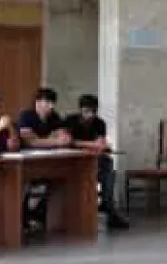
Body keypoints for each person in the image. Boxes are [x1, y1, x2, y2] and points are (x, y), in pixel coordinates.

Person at [62, 94, 129, 230]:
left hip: (93, 159)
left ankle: (108, 206)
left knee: (109, 168)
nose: (90, 115)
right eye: (87, 111)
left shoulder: (99, 123)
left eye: (93, 111)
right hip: (72, 161)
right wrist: (91, 144)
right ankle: (104, 207)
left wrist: (94, 145)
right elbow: (68, 142)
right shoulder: (70, 121)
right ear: (80, 110)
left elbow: (101, 143)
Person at [17, 88, 71, 233]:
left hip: (48, 160)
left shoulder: (54, 116)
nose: (51, 106)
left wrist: (46, 141)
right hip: (26, 162)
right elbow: (30, 141)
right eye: (47, 102)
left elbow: (66, 138)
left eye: (53, 103)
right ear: (37, 102)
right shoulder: (26, 115)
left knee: (62, 180)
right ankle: (22, 218)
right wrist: (54, 140)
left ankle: (39, 215)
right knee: (24, 182)